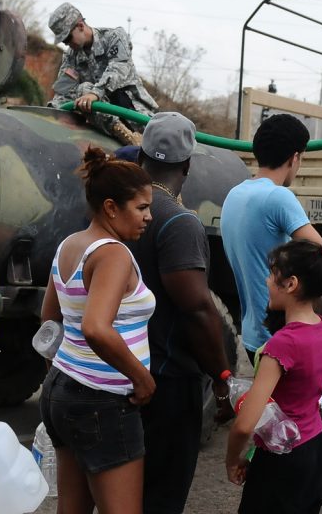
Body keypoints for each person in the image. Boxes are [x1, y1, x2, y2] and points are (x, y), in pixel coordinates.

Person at [38, 146, 157, 514]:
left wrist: (62, 371)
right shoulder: (112, 254)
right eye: (141, 207)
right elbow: (96, 328)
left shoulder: (69, 245)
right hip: (103, 400)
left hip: (63, 390)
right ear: (110, 207)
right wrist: (142, 379)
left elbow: (49, 319)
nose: (149, 217)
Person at [125, 112, 232, 513]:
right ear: (187, 165)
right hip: (167, 382)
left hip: (120, 371)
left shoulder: (116, 211)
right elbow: (198, 309)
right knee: (161, 497)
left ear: (140, 156)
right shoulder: (179, 221)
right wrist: (222, 379)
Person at [226, 239, 322, 514]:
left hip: (283, 458)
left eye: (272, 274)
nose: (267, 281)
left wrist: (232, 460)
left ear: (291, 284)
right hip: (315, 448)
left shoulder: (283, 344)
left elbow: (244, 425)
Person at [220, 114, 322, 365]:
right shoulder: (277, 197)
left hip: (253, 333)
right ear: (294, 158)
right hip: (282, 336)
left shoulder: (234, 194)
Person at [47, 2, 158, 146]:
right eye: (63, 41)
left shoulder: (114, 37)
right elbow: (64, 91)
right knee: (82, 91)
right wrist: (50, 115)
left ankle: (133, 138)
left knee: (85, 90)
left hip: (133, 112)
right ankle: (123, 134)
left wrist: (95, 93)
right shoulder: (71, 56)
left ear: (80, 26)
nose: (67, 44)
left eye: (68, 38)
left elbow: (118, 69)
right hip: (105, 121)